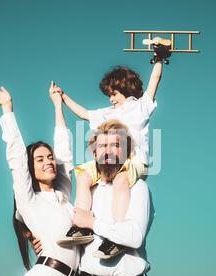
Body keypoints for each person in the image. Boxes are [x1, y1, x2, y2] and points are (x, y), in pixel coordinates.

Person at [0, 82, 85, 276]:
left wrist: (58, 106)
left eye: (49, 157)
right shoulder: (29, 201)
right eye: (39, 159)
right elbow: (17, 159)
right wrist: (7, 110)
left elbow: (64, 154)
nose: (48, 162)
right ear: (31, 168)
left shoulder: (63, 196)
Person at [56, 62, 163, 259]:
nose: (111, 99)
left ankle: (116, 237)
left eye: (113, 93)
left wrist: (159, 58)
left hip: (135, 161)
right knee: (84, 175)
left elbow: (154, 80)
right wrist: (63, 97)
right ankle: (82, 227)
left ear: (125, 88)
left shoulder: (140, 106)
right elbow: (84, 113)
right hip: (110, 160)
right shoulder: (108, 113)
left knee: (121, 181)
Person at [69, 119, 152, 276]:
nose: (108, 151)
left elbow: (134, 237)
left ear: (127, 151)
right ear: (94, 152)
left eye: (115, 145)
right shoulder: (90, 189)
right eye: (102, 146)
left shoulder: (137, 188)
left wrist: (92, 223)